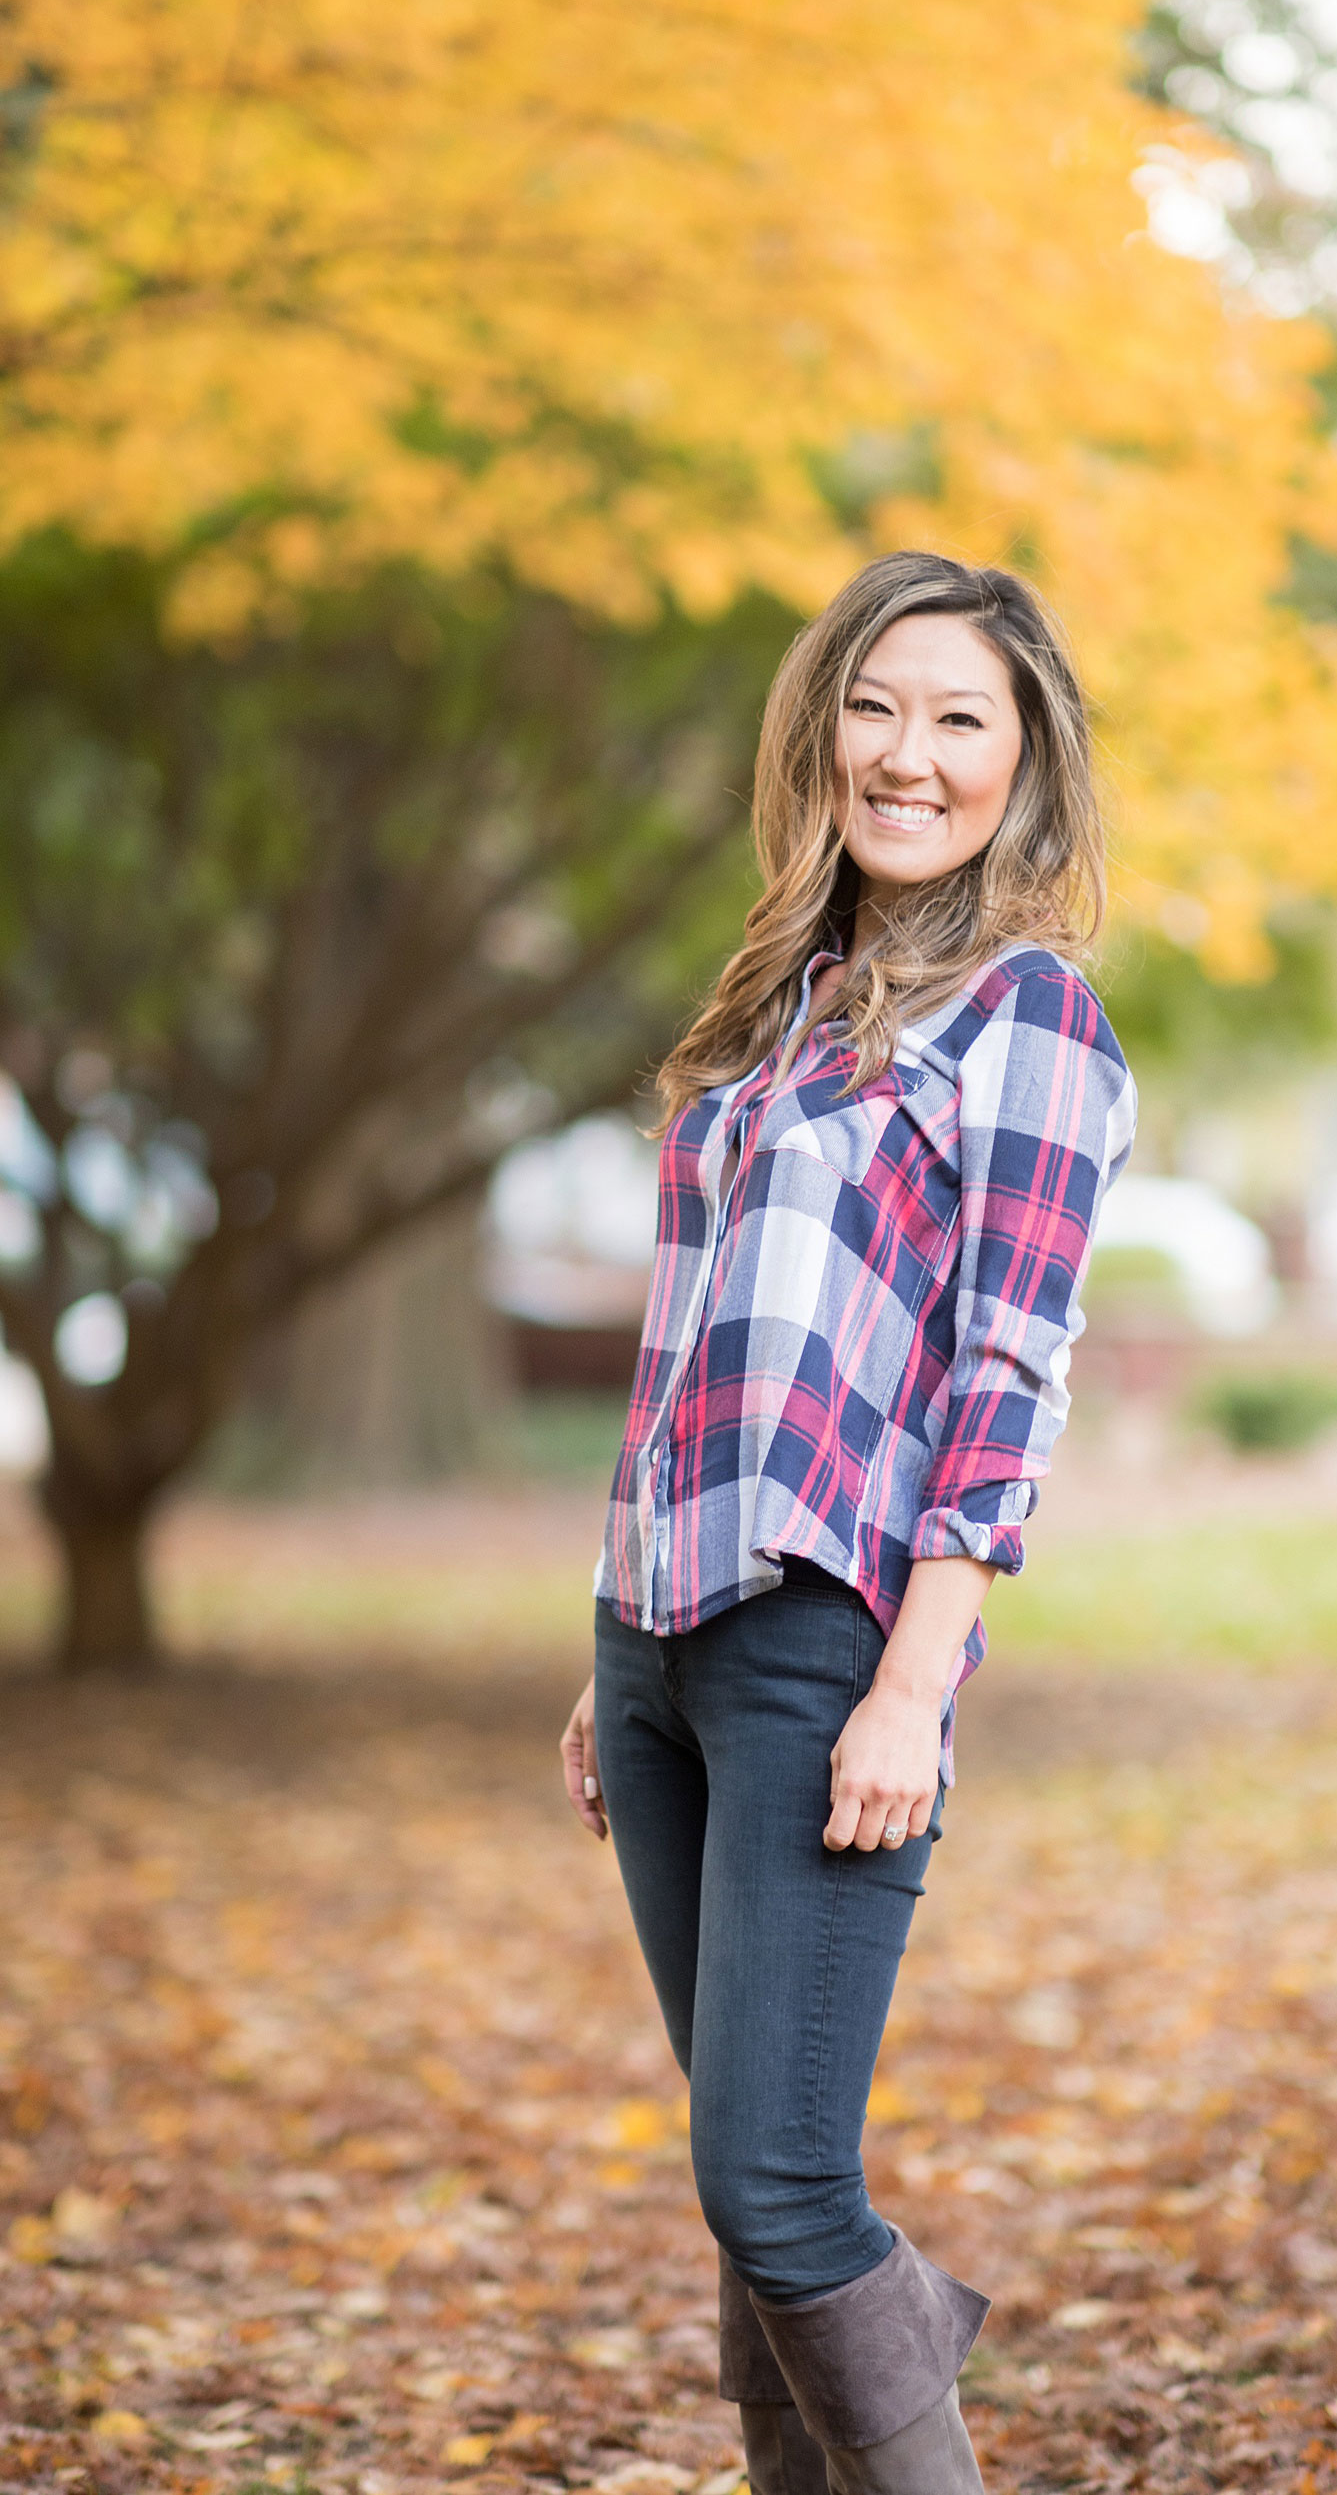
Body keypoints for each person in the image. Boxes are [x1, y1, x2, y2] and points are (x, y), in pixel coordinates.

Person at [559, 551, 1136, 2495]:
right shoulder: (776, 1008)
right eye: (875, 706)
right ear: (821, 732)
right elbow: (680, 1354)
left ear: (1020, 761)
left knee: (779, 2180)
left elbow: (1009, 1376)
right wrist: (602, 1647)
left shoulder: (1027, 1015)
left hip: (826, 1639)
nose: (908, 753)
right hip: (657, 1642)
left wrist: (917, 1680)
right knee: (754, 2191)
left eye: (958, 716)